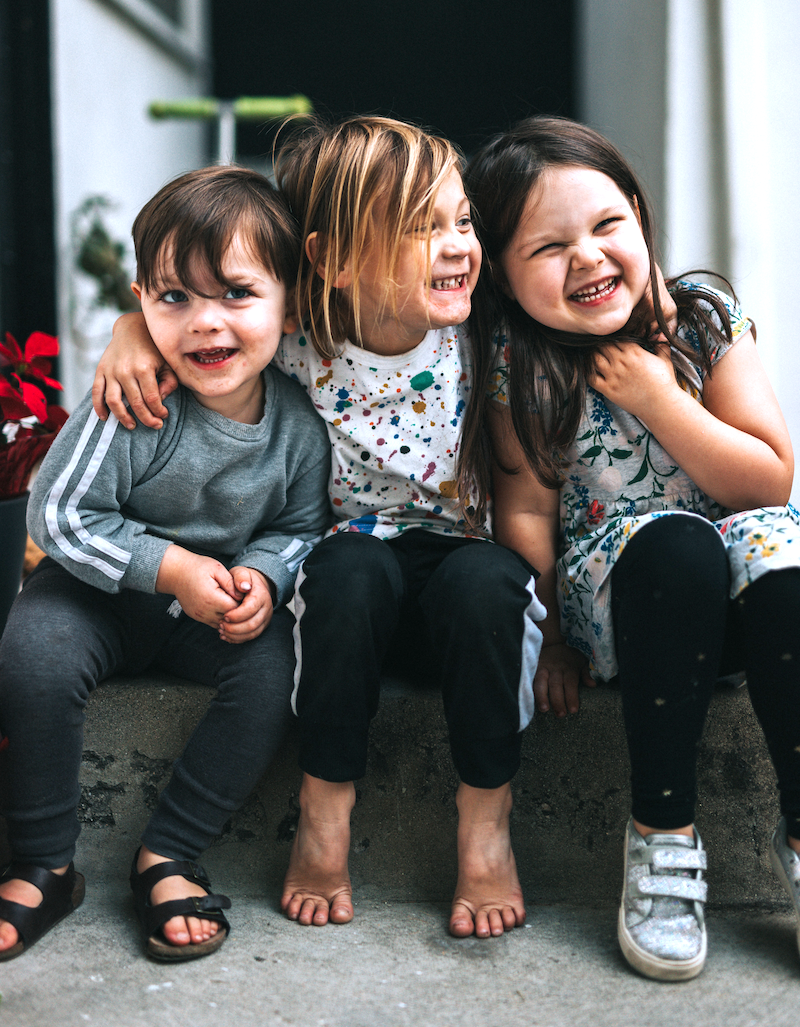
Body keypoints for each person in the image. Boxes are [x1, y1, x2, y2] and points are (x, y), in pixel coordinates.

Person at [89, 116, 547, 940]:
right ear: (334, 262)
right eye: (420, 228)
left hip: (464, 587)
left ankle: (485, 827)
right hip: (347, 599)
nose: (456, 245)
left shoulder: (485, 336)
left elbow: (524, 502)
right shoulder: (304, 340)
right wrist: (129, 332)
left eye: (461, 220)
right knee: (348, 566)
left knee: (489, 581)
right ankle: (324, 810)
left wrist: (567, 639)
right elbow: (211, 317)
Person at [462, 114, 800, 981]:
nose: (588, 257)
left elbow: (768, 480)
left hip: (743, 607)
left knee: (779, 542)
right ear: (501, 271)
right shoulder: (522, 364)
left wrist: (659, 398)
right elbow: (527, 517)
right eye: (547, 247)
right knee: (677, 545)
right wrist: (554, 640)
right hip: (630, 611)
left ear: (641, 218)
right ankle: (661, 832)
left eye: (608, 225)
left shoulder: (702, 321)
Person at [0, 166, 332, 962]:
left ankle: (170, 853)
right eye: (173, 297)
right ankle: (44, 861)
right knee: (33, 655)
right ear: (141, 299)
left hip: (211, 610)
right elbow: (58, 513)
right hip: (92, 594)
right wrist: (170, 567)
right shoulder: (135, 399)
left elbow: (301, 525)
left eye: (236, 295)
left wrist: (264, 574)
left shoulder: (299, 426)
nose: (204, 324)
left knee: (271, 675)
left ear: (290, 302)